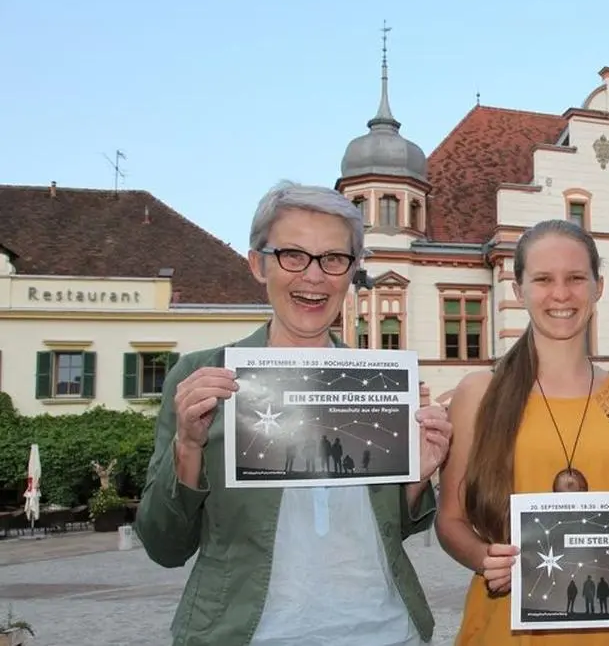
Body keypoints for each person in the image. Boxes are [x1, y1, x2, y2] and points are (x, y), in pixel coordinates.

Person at [134, 180, 452, 646]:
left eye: (333, 259)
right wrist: (188, 447)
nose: (314, 276)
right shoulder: (201, 376)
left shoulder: (381, 387)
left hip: (384, 632)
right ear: (258, 264)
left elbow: (386, 533)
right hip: (247, 634)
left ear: (352, 271)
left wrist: (417, 477)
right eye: (293, 255)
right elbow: (164, 546)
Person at [429, 219, 609, 645]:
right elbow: (450, 520)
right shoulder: (479, 393)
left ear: (598, 287)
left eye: (576, 278)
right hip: (506, 630)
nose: (561, 294)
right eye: (543, 279)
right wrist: (484, 558)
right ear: (518, 289)